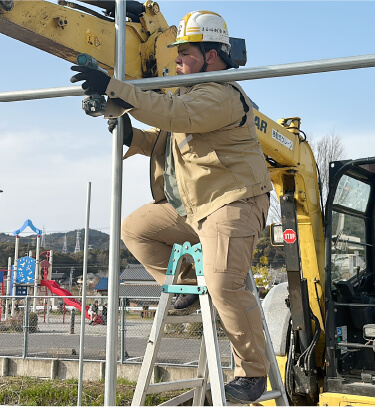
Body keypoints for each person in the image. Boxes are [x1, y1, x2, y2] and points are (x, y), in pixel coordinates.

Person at [71, 10, 272, 403]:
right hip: (195, 208)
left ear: (212, 55)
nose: (177, 58)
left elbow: (174, 115)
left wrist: (116, 87)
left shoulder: (220, 93)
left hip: (232, 203)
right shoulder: (188, 95)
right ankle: (187, 285)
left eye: (185, 51)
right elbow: (164, 140)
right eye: (176, 50)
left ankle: (252, 373)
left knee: (224, 284)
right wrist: (129, 132)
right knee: (137, 228)